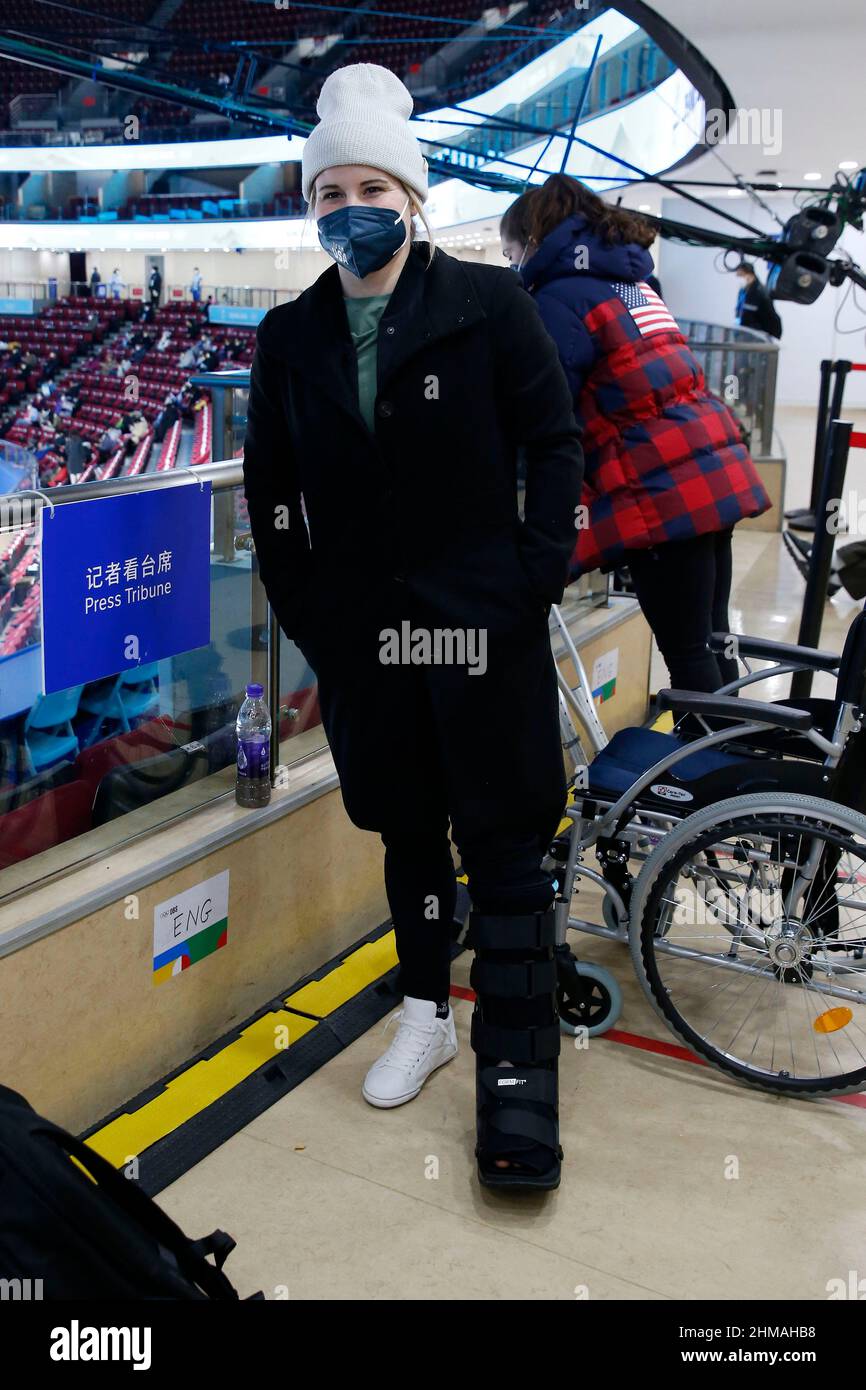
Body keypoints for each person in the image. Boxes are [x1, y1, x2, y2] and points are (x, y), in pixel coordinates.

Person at [242, 63, 583, 1191]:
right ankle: (425, 1011)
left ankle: (517, 1071)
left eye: (369, 184)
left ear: (412, 194)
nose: (348, 205)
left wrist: (527, 576)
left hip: (478, 628)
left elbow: (552, 446)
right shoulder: (290, 336)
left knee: (503, 842)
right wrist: (314, 613)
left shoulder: (490, 309)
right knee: (407, 835)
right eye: (326, 186)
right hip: (369, 642)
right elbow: (271, 490)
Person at [501, 173, 772, 695]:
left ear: (534, 241)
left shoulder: (559, 299)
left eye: (511, 252)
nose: (512, 266)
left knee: (689, 650)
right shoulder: (632, 283)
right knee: (714, 639)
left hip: (665, 491)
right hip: (710, 471)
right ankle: (735, 760)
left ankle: (702, 769)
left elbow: (544, 405)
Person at [734, 262, 783, 338]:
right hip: (749, 332)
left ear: (749, 274)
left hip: (761, 335)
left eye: (740, 275)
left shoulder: (758, 291)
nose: (739, 278)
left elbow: (748, 317)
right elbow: (740, 311)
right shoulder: (744, 291)